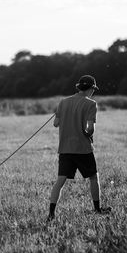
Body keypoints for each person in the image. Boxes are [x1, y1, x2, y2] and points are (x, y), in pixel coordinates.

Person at [47, 75, 111, 221]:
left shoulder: (63, 102)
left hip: (65, 149)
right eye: (93, 89)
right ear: (90, 89)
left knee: (60, 181)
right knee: (94, 177)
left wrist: (62, 114)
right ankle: (97, 209)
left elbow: (56, 123)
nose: (93, 92)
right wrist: (87, 132)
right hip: (83, 149)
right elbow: (90, 129)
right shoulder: (91, 104)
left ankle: (51, 214)